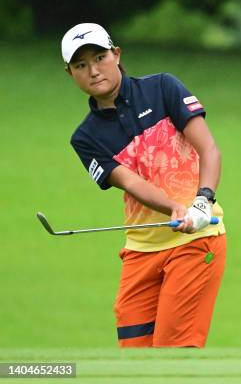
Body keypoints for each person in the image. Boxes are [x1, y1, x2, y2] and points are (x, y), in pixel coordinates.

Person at [61, 23, 227, 348]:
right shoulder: (85, 138)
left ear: (116, 54)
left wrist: (202, 202)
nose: (94, 71)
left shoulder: (163, 88)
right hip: (141, 251)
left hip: (196, 239)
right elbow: (131, 182)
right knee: (136, 360)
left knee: (172, 355)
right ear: (70, 73)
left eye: (100, 57)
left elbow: (209, 149)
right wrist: (174, 208)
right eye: (81, 65)